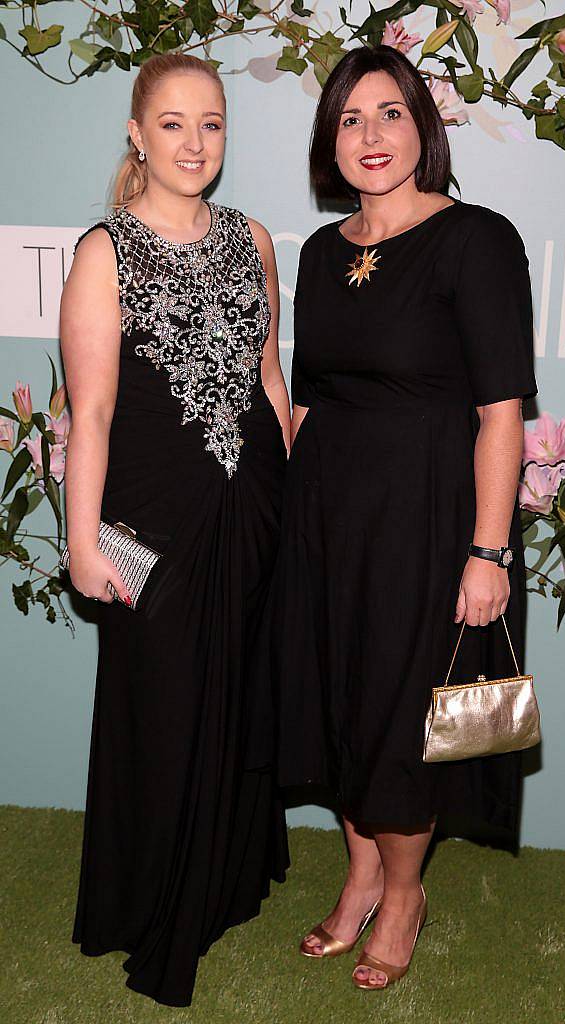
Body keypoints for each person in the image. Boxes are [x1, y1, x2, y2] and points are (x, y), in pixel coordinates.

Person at [271, 45, 537, 991]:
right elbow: (306, 404)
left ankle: (406, 892)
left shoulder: (477, 239)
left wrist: (488, 551)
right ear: (329, 143)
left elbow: (501, 412)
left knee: (401, 714)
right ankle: (357, 877)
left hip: (425, 521)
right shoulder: (315, 252)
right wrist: (286, 532)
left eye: (389, 113)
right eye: (349, 119)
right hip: (324, 519)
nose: (370, 136)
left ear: (422, 126)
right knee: (337, 703)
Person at [60, 52, 290, 1007]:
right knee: (160, 714)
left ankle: (228, 881)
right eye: (173, 124)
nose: (195, 143)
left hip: (256, 509)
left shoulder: (255, 239)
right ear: (136, 133)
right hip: (154, 521)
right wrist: (80, 541)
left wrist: (296, 509)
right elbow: (94, 413)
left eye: (212, 124)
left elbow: (272, 381)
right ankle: (153, 902)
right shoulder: (103, 252)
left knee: (240, 700)